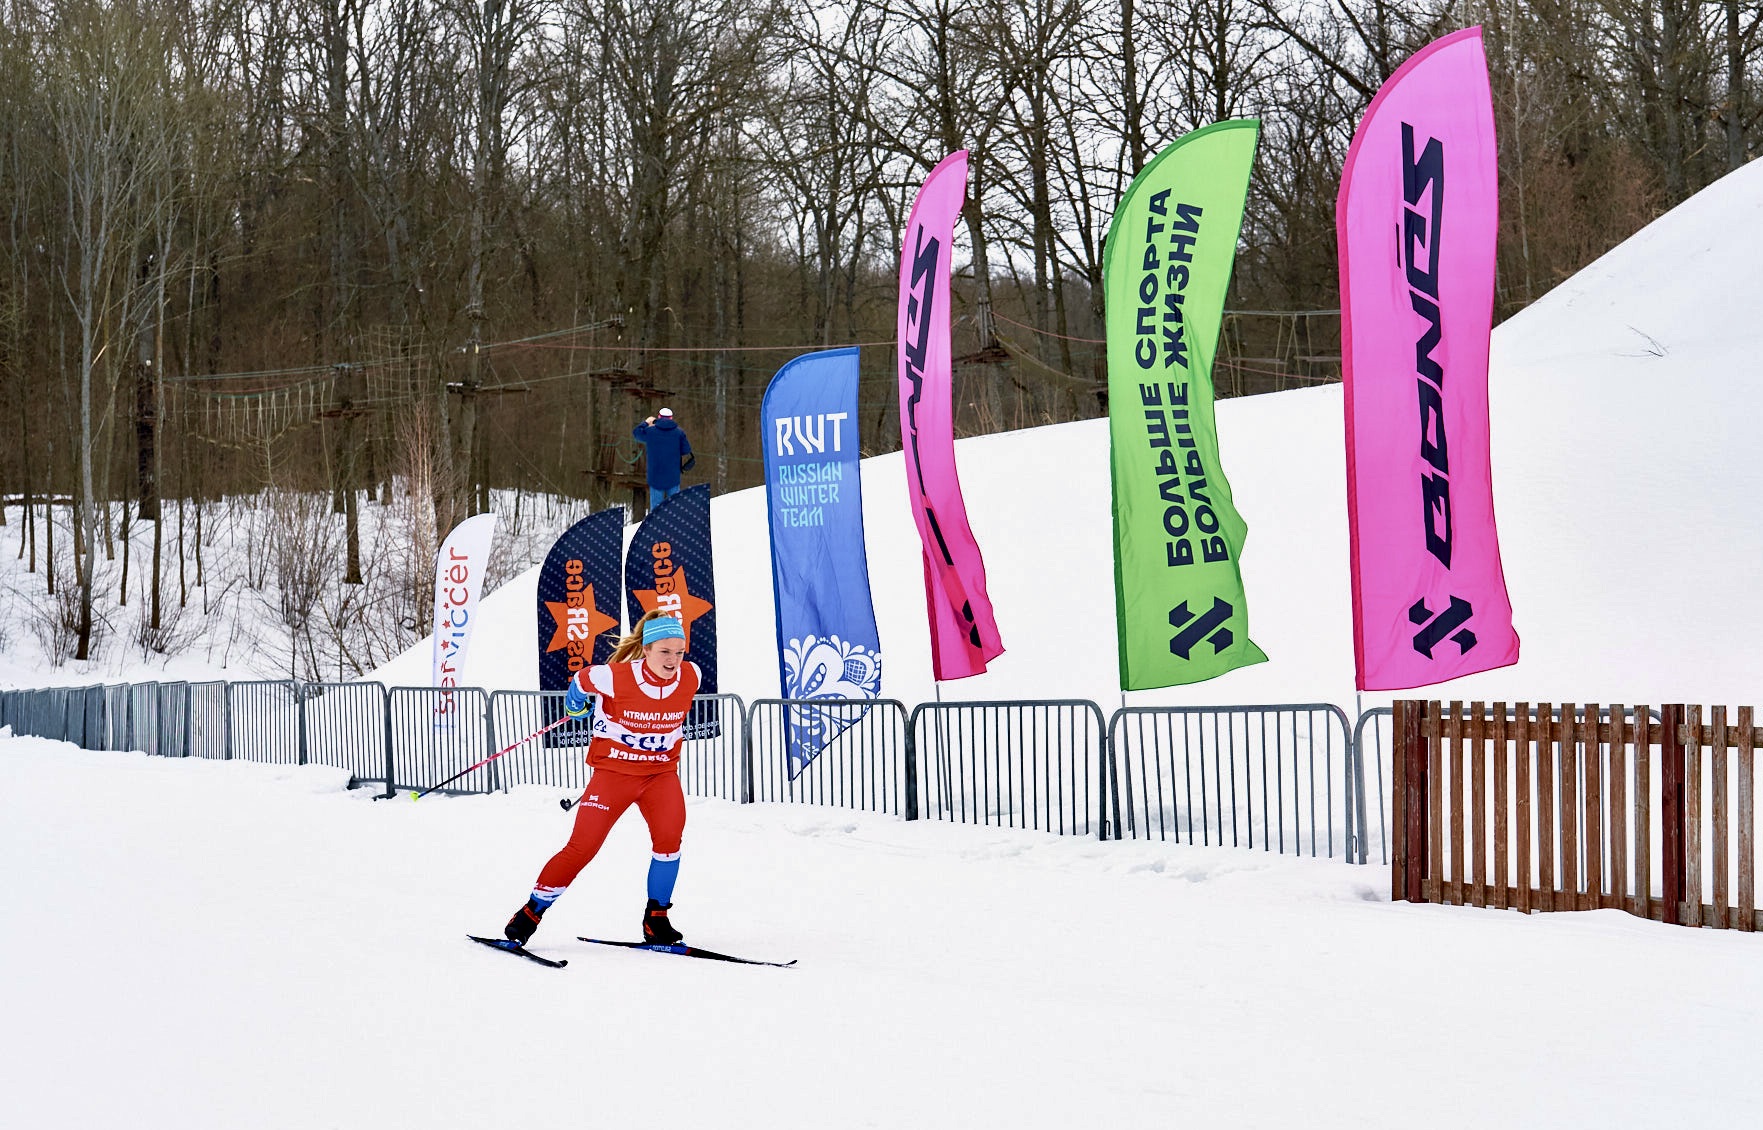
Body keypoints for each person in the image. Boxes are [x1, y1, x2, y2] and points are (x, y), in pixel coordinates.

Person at [503, 609, 702, 947]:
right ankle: (531, 912)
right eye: (665, 652)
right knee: (583, 847)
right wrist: (577, 707)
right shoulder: (614, 676)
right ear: (646, 649)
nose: (673, 660)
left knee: (669, 843)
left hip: (660, 775)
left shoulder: (691, 675)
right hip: (614, 776)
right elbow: (581, 681)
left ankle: (657, 918)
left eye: (679, 652)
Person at [632, 406, 694, 510]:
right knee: (674, 507)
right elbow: (686, 450)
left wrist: (646, 422)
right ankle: (673, 525)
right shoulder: (679, 433)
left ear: (659, 417)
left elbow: (636, 433)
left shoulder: (650, 432)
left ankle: (656, 525)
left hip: (655, 475)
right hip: (673, 475)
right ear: (671, 418)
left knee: (656, 509)